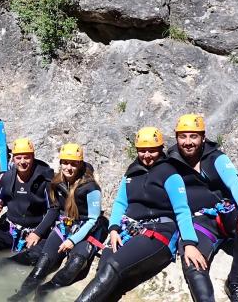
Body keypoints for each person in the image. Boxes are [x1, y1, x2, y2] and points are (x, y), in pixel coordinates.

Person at [76, 127, 205, 302]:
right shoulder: (132, 172)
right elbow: (120, 203)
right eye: (142, 150)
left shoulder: (169, 173)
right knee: (104, 270)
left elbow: (182, 209)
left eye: (152, 150)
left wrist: (190, 243)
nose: (147, 155)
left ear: (160, 149)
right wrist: (113, 229)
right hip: (128, 229)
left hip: (158, 231)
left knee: (113, 267)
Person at [167, 114, 238, 302]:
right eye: (183, 136)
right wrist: (188, 243)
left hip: (224, 214)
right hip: (199, 222)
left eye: (193, 136)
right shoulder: (170, 163)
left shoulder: (216, 158)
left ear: (203, 137)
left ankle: (235, 284)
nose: (188, 142)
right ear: (176, 138)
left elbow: (235, 184)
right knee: (193, 264)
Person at [9, 143, 108, 301]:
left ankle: (45, 290)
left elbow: (93, 219)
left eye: (73, 164)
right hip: (65, 227)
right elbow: (55, 209)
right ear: (60, 162)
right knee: (42, 264)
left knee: (75, 264)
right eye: (65, 163)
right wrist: (39, 232)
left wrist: (72, 241)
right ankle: (20, 295)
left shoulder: (90, 188)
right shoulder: (56, 182)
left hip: (86, 229)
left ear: (80, 164)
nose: (69, 167)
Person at [0, 138, 55, 265]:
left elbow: (53, 209)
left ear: (33, 157)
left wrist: (37, 233)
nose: (22, 162)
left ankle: (6, 267)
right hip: (11, 229)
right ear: (13, 158)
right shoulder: (7, 177)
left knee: (23, 260)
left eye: (27, 157)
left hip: (37, 231)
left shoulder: (45, 179)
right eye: (18, 158)